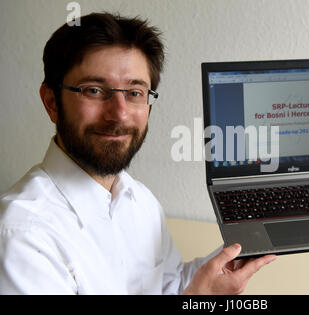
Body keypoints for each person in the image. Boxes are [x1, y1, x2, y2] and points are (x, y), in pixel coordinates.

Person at [0, 12, 276, 295]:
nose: (119, 114)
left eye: (134, 93)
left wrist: (232, 257)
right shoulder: (22, 235)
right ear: (51, 102)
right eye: (94, 90)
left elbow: (168, 286)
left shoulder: (139, 200)